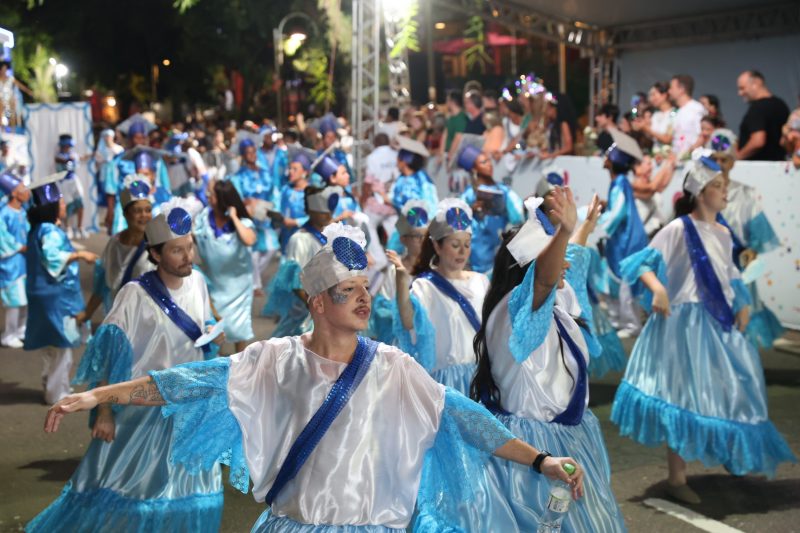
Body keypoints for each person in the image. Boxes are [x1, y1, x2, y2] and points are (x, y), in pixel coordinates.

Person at [43, 221, 586, 532]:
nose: (364, 300)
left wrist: (539, 459)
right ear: (318, 302)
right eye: (350, 292)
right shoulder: (275, 359)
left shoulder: (394, 367)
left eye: (365, 291)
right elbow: (186, 382)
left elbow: (464, 418)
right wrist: (96, 395)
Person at [28, 200, 224, 532]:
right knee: (131, 488)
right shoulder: (135, 294)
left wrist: (210, 331)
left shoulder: (199, 282)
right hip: (142, 406)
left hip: (189, 406)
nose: (188, 257)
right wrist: (104, 411)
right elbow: (113, 351)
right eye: (177, 251)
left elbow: (206, 324)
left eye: (189, 247)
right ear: (157, 254)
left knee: (194, 489)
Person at [611, 157, 796, 504]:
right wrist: (659, 288)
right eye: (717, 187)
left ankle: (731, 451)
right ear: (699, 193)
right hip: (684, 326)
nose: (725, 192)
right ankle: (676, 477)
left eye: (724, 186)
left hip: (720, 324)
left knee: (733, 387)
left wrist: (742, 303)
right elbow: (640, 264)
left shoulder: (724, 233)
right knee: (682, 396)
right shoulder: (678, 229)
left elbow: (732, 275)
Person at [471, 189, 626, 532]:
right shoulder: (516, 310)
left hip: (562, 439)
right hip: (533, 449)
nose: (565, 263)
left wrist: (583, 228)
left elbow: (569, 260)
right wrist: (566, 230)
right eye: (557, 254)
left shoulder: (552, 307)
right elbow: (544, 276)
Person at [391, 198, 486, 394]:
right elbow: (410, 323)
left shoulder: (481, 282)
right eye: (455, 244)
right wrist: (401, 283)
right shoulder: (425, 286)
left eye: (467, 245)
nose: (462, 251)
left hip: (481, 377)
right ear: (437, 247)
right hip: (447, 383)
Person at [24, 172, 97, 404]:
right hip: (56, 296)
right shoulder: (50, 231)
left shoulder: (38, 229)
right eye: (61, 202)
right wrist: (79, 254)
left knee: (51, 346)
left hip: (42, 293)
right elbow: (53, 258)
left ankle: (52, 384)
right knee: (62, 345)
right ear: (52, 207)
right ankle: (57, 393)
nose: (65, 205)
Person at [709, 130, 785, 349]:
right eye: (714, 159)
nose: (719, 164)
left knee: (742, 317)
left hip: (738, 267)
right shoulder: (701, 193)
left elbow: (758, 234)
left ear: (732, 163)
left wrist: (751, 252)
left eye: (724, 159)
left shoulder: (746, 194)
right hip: (710, 264)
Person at [262, 186, 340, 337]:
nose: (327, 214)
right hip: (307, 313)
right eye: (322, 210)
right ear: (310, 211)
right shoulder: (299, 239)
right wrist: (316, 306)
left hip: (331, 307)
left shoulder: (332, 235)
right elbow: (295, 281)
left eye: (329, 210)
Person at [78, 176, 155, 324]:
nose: (144, 216)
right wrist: (87, 314)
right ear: (126, 214)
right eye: (137, 211)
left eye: (148, 210)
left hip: (147, 321)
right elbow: (102, 283)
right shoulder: (114, 243)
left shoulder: (157, 244)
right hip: (119, 318)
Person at [194, 179, 257, 353]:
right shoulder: (204, 217)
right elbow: (193, 236)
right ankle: (218, 359)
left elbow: (249, 240)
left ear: (222, 198)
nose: (208, 197)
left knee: (239, 326)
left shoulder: (242, 222)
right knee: (215, 325)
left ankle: (240, 357)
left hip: (238, 284)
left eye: (211, 194)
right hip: (214, 281)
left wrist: (235, 217)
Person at [599, 132, 649, 337]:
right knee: (616, 278)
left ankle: (631, 324)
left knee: (626, 280)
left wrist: (600, 222)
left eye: (607, 156)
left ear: (612, 162)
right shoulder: (618, 183)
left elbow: (618, 212)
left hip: (627, 238)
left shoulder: (620, 182)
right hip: (622, 236)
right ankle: (620, 320)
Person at [457, 144, 524, 274]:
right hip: (477, 248)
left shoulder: (504, 191)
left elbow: (518, 217)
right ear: (474, 169)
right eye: (483, 162)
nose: (489, 164)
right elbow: (456, 220)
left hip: (498, 245)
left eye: (488, 160)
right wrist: (471, 209)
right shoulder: (469, 194)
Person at [370, 200, 428, 343]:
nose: (422, 241)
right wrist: (404, 314)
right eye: (416, 236)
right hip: (399, 340)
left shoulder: (434, 268)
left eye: (425, 236)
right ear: (403, 239)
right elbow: (382, 308)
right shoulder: (393, 269)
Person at [230, 138, 279, 295]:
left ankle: (250, 278)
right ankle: (255, 285)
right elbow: (237, 196)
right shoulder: (239, 176)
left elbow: (273, 193)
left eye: (253, 152)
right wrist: (247, 202)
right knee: (253, 253)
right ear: (243, 155)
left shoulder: (264, 173)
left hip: (264, 216)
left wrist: (272, 208)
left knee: (272, 248)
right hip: (249, 218)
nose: (252, 155)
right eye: (248, 153)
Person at [0, 172, 30, 348]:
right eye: (22, 189)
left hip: (24, 261)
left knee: (25, 297)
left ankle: (22, 329)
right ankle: (8, 334)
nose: (26, 191)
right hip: (10, 262)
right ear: (13, 193)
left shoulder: (23, 211)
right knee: (14, 299)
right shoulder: (4, 213)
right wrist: (20, 247)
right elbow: (2, 237)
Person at [736, 70, 790, 161]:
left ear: (756, 83)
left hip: (758, 168)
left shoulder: (758, 108)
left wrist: (737, 157)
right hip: (779, 166)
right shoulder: (780, 104)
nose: (740, 93)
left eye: (742, 88)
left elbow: (758, 141)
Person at [389, 136, 439, 215]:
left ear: (404, 162)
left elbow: (431, 207)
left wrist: (386, 198)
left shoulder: (422, 180)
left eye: (398, 159)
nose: (396, 162)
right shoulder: (402, 177)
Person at [632, 153, 677, 237]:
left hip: (656, 232)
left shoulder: (649, 183)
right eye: (648, 164)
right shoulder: (634, 186)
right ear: (637, 168)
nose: (651, 167)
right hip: (644, 235)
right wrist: (665, 166)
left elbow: (661, 186)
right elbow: (651, 188)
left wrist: (672, 166)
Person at [277, 149, 313, 253]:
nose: (290, 172)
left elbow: (317, 218)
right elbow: (278, 209)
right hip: (286, 240)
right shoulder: (285, 190)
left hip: (305, 241)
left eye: (295, 169)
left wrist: (295, 222)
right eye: (290, 168)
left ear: (305, 172)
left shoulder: (312, 192)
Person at [55, 134, 86, 239]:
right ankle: (67, 227)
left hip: (74, 181)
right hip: (64, 183)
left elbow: (80, 158)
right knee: (67, 205)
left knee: (80, 203)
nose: (68, 147)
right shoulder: (59, 156)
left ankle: (80, 227)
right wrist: (71, 159)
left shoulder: (73, 154)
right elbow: (61, 160)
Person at [668, 74, 706, 158]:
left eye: (671, 88)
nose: (669, 91)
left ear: (681, 89)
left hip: (692, 161)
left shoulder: (696, 109)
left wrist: (686, 155)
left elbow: (703, 135)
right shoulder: (677, 111)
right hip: (677, 162)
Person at [642, 81, 675, 158]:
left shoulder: (674, 113)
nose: (651, 99)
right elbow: (652, 138)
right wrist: (644, 126)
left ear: (664, 95)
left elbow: (668, 139)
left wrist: (647, 128)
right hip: (655, 156)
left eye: (653, 95)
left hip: (668, 157)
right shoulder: (656, 115)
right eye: (650, 95)